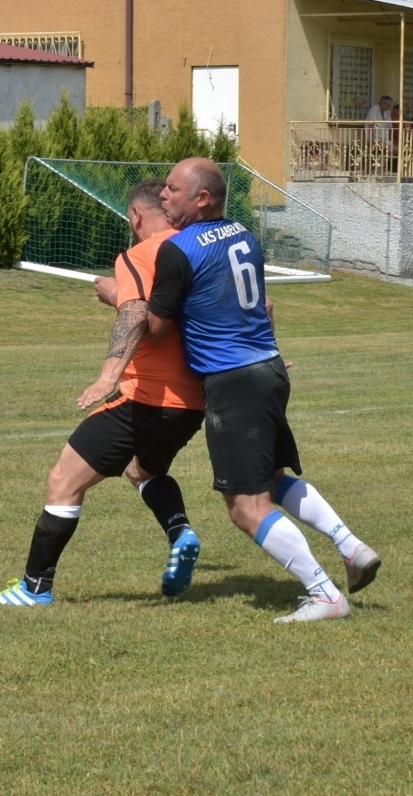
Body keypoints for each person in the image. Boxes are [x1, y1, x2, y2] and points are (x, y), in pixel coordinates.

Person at [146, 158, 380, 623]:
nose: (163, 197)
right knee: (272, 479)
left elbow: (155, 329)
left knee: (246, 507)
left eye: (172, 189)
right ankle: (351, 548)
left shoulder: (178, 250)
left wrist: (122, 298)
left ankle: (325, 595)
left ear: (203, 198)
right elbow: (258, 302)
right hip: (270, 370)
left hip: (234, 382)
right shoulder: (243, 234)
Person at [0, 180, 207, 607]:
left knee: (64, 480)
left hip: (146, 397)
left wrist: (108, 374)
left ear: (138, 216)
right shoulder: (198, 249)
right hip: (193, 403)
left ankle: (34, 588)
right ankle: (181, 532)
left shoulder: (140, 254)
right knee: (142, 470)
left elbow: (138, 311)